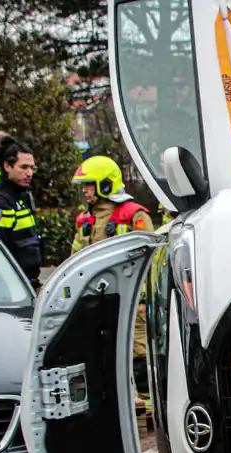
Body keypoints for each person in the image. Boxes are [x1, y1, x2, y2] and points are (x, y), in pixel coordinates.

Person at [70, 155, 156, 407]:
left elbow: (150, 259)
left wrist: (143, 298)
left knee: (138, 351)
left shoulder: (134, 215)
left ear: (105, 184)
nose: (85, 190)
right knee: (104, 350)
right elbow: (75, 259)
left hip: (132, 298)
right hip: (97, 298)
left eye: (89, 184)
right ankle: (121, 404)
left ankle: (151, 407)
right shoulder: (85, 220)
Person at [0, 137, 43, 288]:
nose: (29, 173)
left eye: (32, 168)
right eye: (24, 167)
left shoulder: (19, 197)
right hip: (8, 286)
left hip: (25, 282)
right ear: (7, 166)